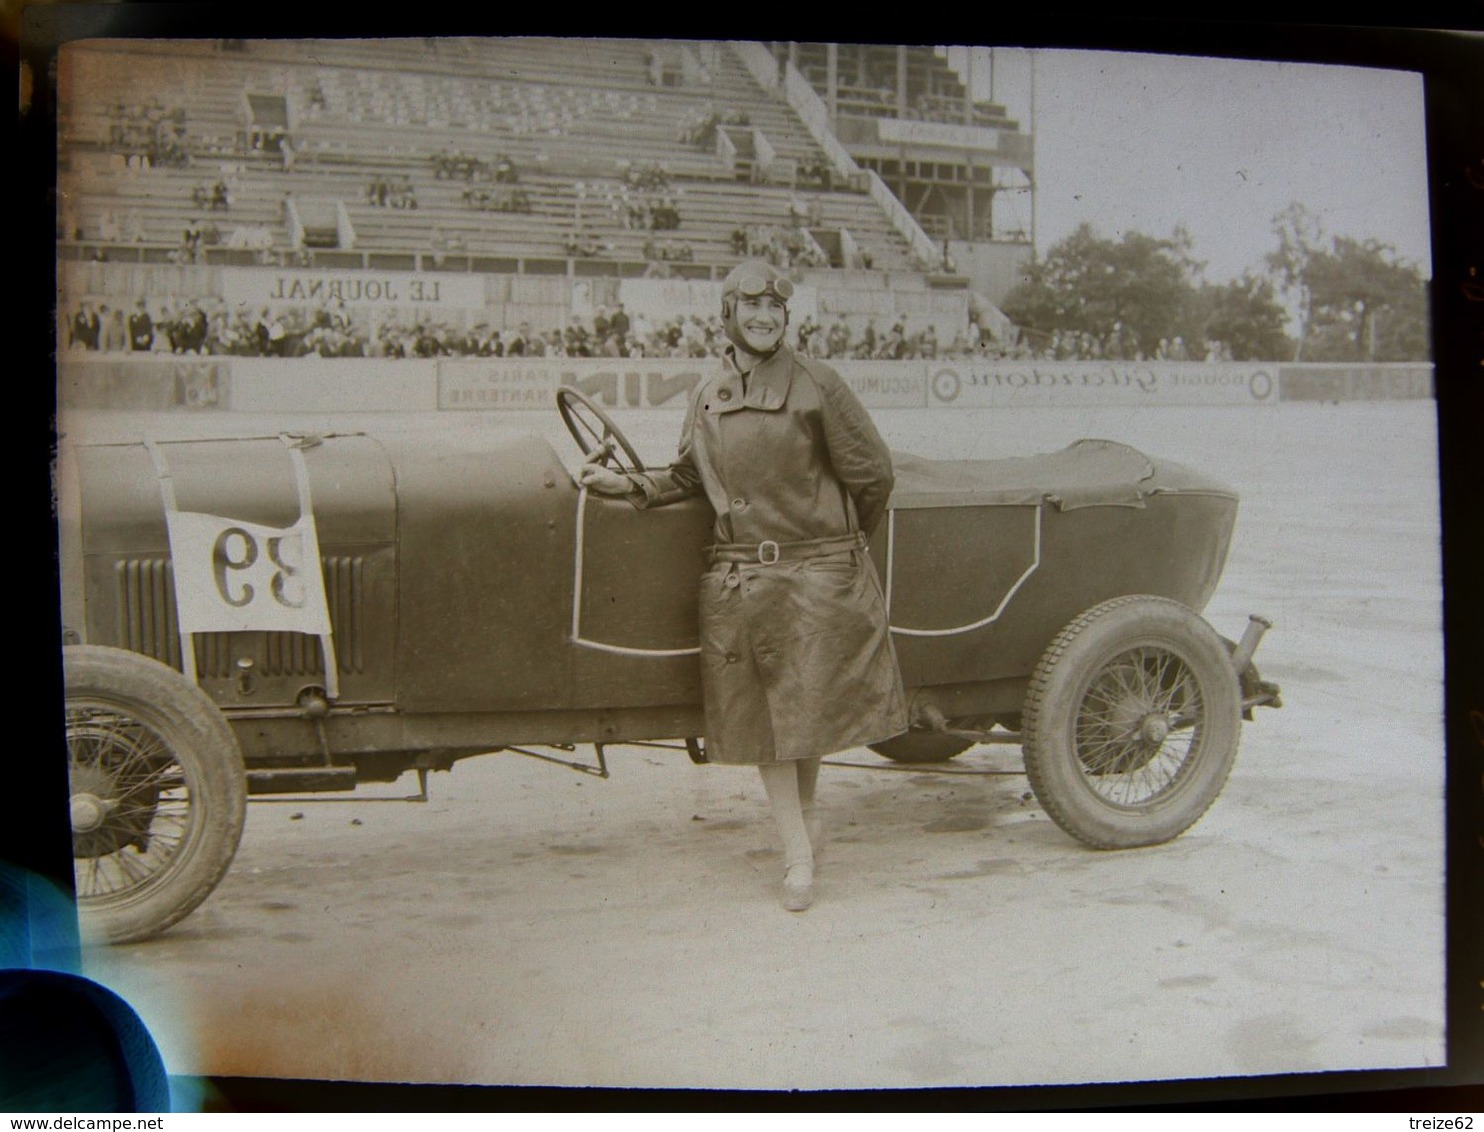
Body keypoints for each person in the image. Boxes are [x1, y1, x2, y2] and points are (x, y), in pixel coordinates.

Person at [579, 260, 907, 912]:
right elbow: (690, 477)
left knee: (803, 713)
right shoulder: (710, 391)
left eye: (774, 309)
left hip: (816, 575)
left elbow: (875, 475)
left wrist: (837, 549)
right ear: (728, 314)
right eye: (750, 306)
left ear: (786, 318)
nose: (764, 318)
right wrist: (634, 486)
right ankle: (797, 850)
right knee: (768, 724)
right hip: (743, 578)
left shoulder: (818, 383)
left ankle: (805, 827)